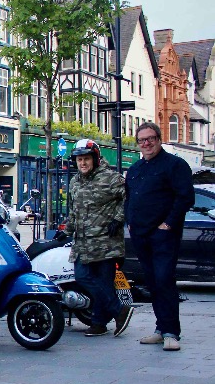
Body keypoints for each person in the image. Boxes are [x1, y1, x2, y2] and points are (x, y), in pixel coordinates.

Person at [125, 122, 194, 351]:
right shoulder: (135, 169)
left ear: (159, 138)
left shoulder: (175, 165)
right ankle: (160, 328)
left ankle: (171, 332)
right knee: (153, 282)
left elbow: (185, 198)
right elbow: (129, 198)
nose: (146, 143)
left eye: (150, 138)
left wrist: (168, 224)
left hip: (163, 235)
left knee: (164, 280)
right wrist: (130, 222)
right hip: (141, 234)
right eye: (142, 140)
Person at [64, 140, 133, 337]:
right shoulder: (75, 182)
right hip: (83, 242)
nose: (83, 163)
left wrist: (118, 219)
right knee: (83, 276)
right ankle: (118, 310)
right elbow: (73, 210)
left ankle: (99, 322)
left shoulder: (111, 178)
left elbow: (128, 198)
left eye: (86, 159)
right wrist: (67, 229)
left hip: (106, 241)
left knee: (103, 281)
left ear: (94, 158)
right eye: (79, 160)